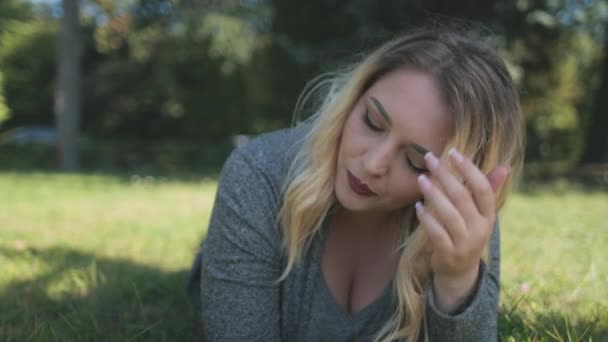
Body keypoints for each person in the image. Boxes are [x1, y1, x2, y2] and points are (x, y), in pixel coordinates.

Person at [187, 26, 524, 341]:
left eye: (415, 161)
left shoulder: (458, 220)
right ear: (354, 98)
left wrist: (458, 280)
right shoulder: (258, 173)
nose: (373, 164)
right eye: (372, 122)